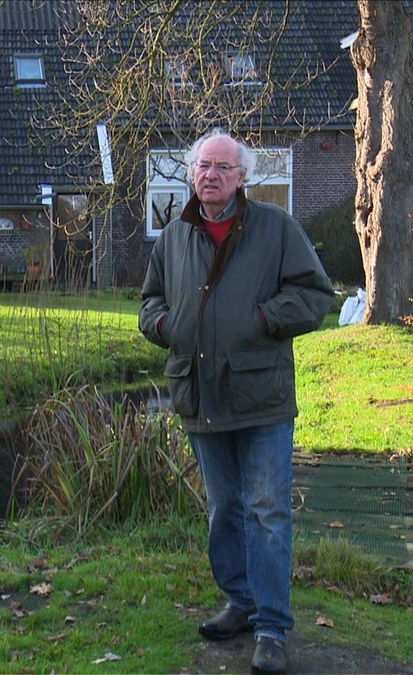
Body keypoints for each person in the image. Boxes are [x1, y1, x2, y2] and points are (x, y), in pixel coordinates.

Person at [139, 129, 333, 674]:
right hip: (200, 393)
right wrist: (164, 325)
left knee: (267, 511)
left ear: (243, 177)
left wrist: (263, 318)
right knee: (224, 508)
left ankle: (271, 627)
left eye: (224, 167)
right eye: (204, 165)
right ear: (191, 173)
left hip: (260, 396)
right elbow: (150, 302)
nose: (212, 175)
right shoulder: (174, 237)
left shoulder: (275, 227)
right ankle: (240, 601)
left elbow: (315, 296)